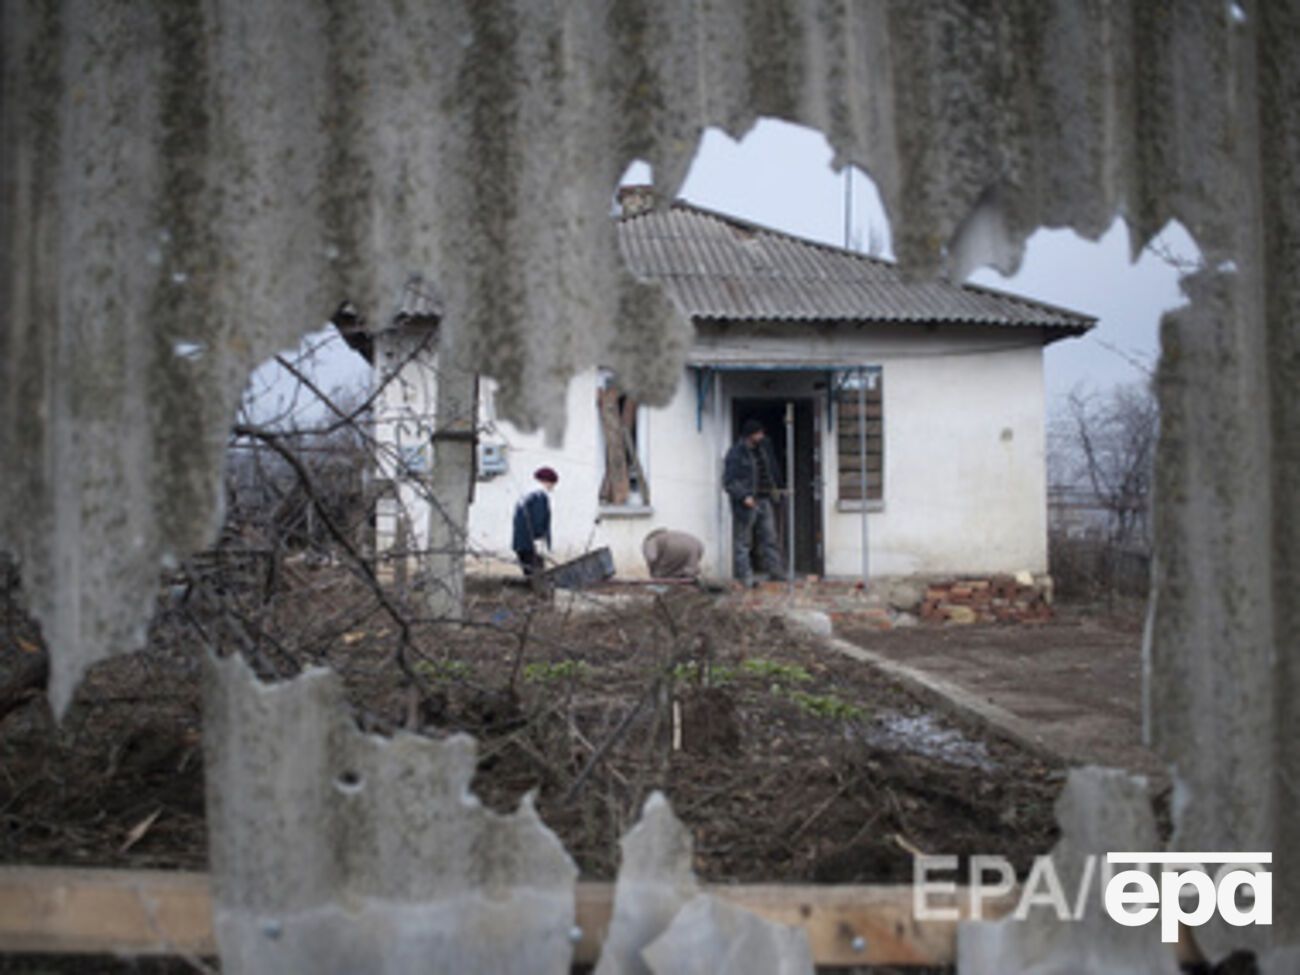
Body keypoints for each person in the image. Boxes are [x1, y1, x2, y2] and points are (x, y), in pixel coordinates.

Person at [722, 419, 787, 586]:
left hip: (765, 499)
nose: (762, 436)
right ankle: (745, 577)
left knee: (770, 537)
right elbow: (729, 481)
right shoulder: (736, 453)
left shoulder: (764, 449)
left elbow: (772, 470)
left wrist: (778, 489)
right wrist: (744, 496)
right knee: (744, 541)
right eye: (759, 433)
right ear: (750, 435)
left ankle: (776, 572)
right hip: (747, 502)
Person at [513, 467, 558, 576]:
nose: (552, 488)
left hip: (520, 542)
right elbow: (539, 519)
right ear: (546, 482)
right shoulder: (539, 496)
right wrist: (539, 539)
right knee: (537, 575)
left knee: (529, 573)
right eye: (552, 484)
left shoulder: (526, 495)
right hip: (530, 543)